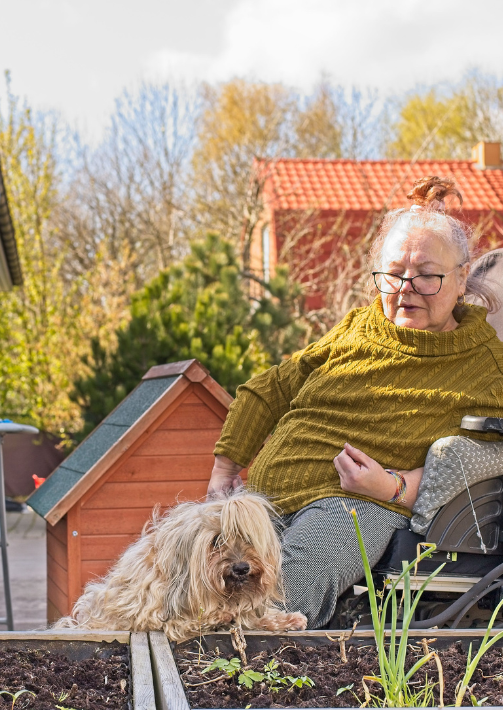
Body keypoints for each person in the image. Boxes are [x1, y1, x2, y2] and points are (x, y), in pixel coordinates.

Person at [207, 176, 503, 629]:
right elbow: (269, 387)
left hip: (356, 503)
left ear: (462, 278)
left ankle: (237, 671)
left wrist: (396, 487)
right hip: (262, 500)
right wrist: (225, 471)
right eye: (394, 274)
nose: (406, 288)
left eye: (427, 275)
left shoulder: (488, 364)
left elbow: (486, 453)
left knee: (288, 587)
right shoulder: (357, 327)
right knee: (182, 568)